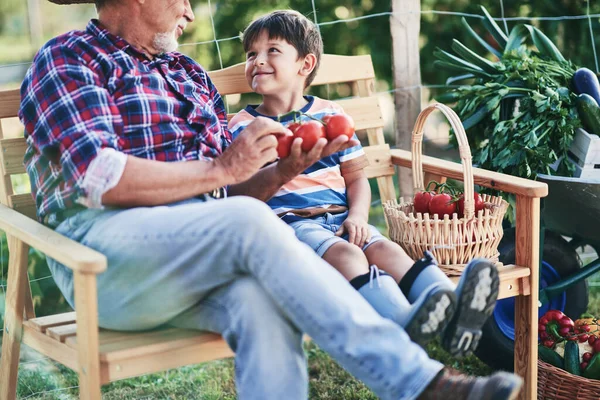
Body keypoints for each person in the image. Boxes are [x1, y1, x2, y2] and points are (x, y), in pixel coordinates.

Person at [19, 0, 522, 399]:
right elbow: (98, 176)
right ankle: (418, 383)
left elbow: (228, 194)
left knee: (261, 304)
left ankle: (418, 366)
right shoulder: (68, 58)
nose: (190, 12)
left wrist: (282, 172)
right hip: (104, 261)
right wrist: (221, 169)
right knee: (241, 221)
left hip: (195, 252)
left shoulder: (189, 77)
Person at [230, 9, 498, 357]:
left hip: (343, 218)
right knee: (346, 253)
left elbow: (357, 179)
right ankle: (403, 320)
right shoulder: (243, 126)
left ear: (305, 64)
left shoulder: (332, 118)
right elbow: (241, 189)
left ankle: (449, 305)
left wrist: (357, 216)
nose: (257, 61)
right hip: (292, 225)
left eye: (272, 51)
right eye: (251, 54)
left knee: (385, 249)